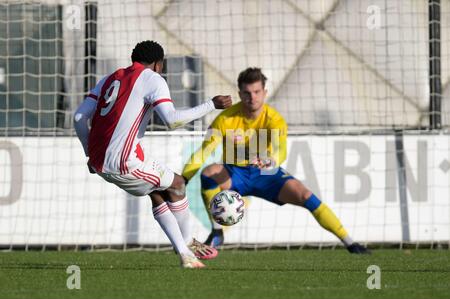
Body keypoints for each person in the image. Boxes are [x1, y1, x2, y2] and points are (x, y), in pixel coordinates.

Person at [74, 40, 233, 268]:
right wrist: (211, 104)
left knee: (157, 193)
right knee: (177, 183)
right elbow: (172, 120)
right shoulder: (153, 79)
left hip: (101, 161)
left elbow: (79, 117)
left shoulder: (110, 78)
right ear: (159, 65)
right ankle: (187, 243)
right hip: (123, 162)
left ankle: (185, 254)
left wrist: (90, 153)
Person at [182, 67, 370, 254]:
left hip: (266, 173)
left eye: (256, 92)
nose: (252, 97)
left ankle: (351, 243)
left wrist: (271, 161)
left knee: (306, 196)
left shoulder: (274, 119)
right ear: (240, 94)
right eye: (247, 93)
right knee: (209, 173)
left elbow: (281, 151)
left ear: (264, 93)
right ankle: (217, 232)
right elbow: (202, 153)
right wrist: (184, 179)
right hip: (234, 174)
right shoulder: (225, 119)